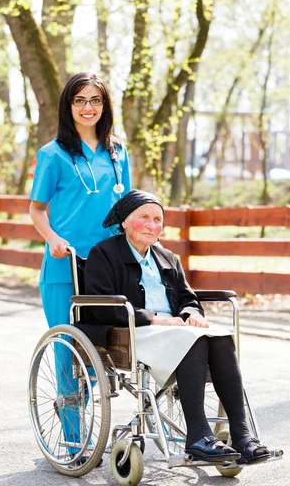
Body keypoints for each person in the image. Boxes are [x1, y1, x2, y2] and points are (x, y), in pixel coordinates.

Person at [84, 190, 271, 464]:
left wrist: (192, 313)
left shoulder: (167, 257)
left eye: (157, 219)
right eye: (144, 217)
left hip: (173, 331)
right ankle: (197, 436)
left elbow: (188, 298)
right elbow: (100, 305)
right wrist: (154, 318)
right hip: (130, 331)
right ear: (124, 221)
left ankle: (242, 436)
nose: (152, 224)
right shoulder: (104, 253)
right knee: (193, 340)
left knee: (220, 337)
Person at [29, 72, 131, 454]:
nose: (88, 108)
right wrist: (54, 238)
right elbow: (37, 210)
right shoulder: (52, 154)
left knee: (104, 350)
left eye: (96, 101)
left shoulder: (118, 152)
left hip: (107, 267)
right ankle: (74, 440)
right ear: (68, 106)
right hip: (64, 266)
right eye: (80, 100)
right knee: (69, 351)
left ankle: (86, 414)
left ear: (105, 106)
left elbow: (128, 208)